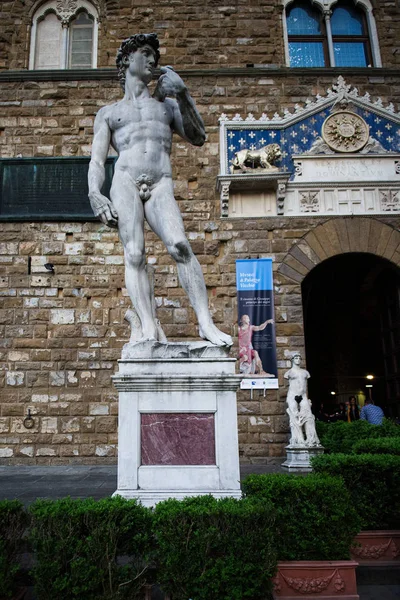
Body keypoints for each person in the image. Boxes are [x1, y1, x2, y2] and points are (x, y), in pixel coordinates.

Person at [88, 33, 232, 347]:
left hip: (160, 182)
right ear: (127, 60)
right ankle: (149, 328)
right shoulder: (110, 113)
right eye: (145, 53)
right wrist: (94, 194)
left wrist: (183, 95)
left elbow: (198, 137)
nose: (153, 59)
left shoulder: (166, 106)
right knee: (135, 254)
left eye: (155, 54)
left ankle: (205, 324)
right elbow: (97, 160)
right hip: (125, 181)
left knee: (180, 245)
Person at [284, 353, 321, 447]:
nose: (298, 359)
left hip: (303, 395)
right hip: (292, 395)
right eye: (296, 358)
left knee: (308, 416)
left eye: (299, 358)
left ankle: (311, 439)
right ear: (292, 359)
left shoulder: (305, 372)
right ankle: (298, 439)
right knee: (294, 417)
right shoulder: (288, 373)